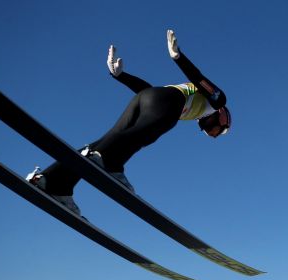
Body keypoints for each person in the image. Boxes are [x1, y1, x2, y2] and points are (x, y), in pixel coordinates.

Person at [26, 30, 231, 215]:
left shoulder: (192, 108)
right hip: (165, 100)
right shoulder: (218, 101)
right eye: (218, 131)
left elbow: (151, 91)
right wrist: (178, 57)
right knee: (143, 134)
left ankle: (53, 183)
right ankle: (111, 163)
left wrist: (121, 76)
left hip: (146, 97)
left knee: (106, 141)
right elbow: (198, 78)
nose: (211, 132)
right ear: (223, 117)